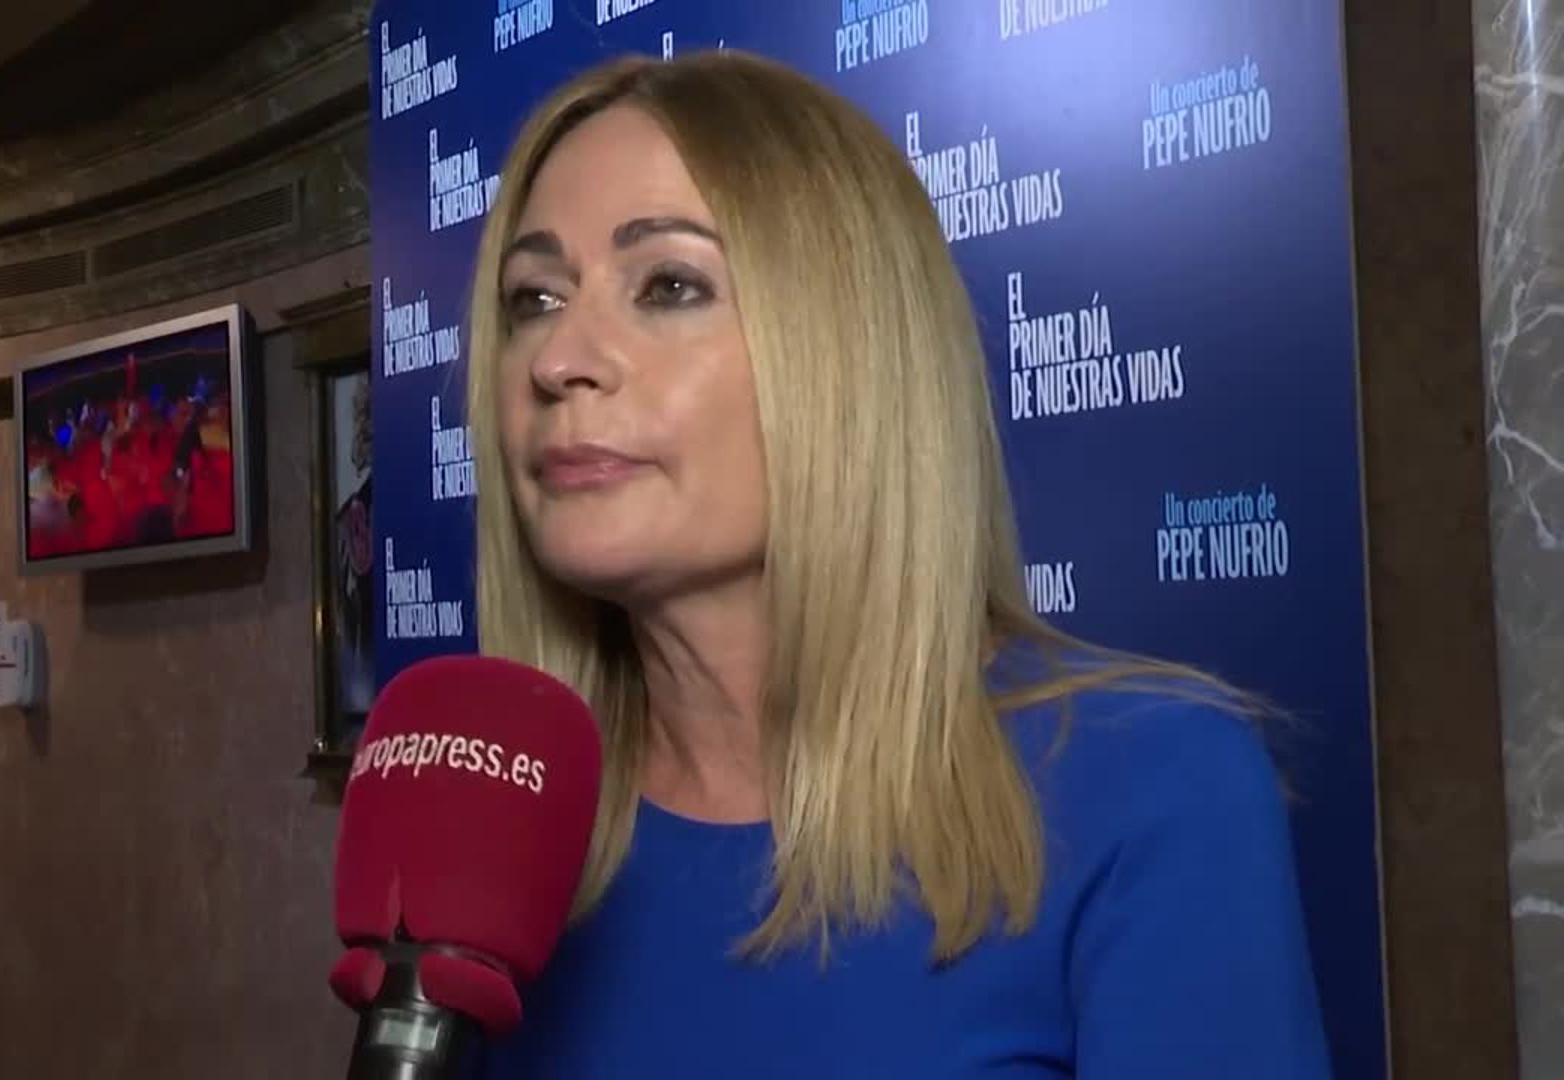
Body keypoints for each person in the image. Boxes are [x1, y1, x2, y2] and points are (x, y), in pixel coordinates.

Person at [463, 51, 1333, 1079]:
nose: (559, 360)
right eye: (534, 299)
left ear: (851, 349)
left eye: (669, 285)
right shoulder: (493, 846)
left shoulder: (1153, 790)